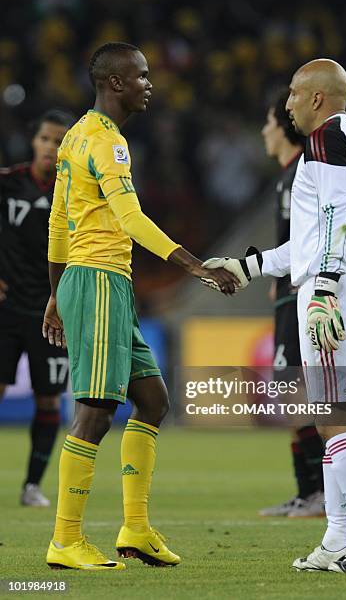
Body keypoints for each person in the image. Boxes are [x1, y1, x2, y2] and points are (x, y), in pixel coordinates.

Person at [43, 41, 238, 571]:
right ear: (114, 83)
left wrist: (57, 293)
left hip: (97, 282)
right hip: (102, 279)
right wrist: (197, 266)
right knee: (95, 411)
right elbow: (129, 220)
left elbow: (60, 225)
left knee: (151, 401)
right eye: (142, 76)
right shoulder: (108, 143)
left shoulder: (73, 137)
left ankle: (134, 529)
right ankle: (65, 539)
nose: (150, 83)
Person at [203, 59, 346, 573]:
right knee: (332, 416)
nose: (286, 103)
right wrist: (249, 266)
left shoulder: (326, 142)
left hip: (336, 289)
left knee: (333, 416)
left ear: (317, 98)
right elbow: (308, 242)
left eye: (293, 93)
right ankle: (337, 539)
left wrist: (325, 291)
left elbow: (337, 218)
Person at [0, 110, 73, 507]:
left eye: (60, 141)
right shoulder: (8, 183)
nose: (51, 148)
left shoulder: (74, 193)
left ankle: (32, 487)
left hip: (53, 313)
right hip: (6, 311)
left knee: (48, 399)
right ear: (34, 142)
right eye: (46, 139)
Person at [258, 89, 325, 518]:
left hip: (300, 294)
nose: (264, 130)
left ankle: (318, 493)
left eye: (267, 122)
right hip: (286, 291)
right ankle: (308, 492)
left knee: (300, 392)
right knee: (292, 394)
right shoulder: (285, 175)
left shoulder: (304, 171)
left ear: (282, 127)